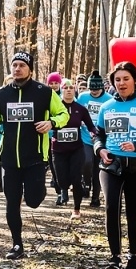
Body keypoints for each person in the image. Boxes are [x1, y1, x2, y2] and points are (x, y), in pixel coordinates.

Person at [0, 51, 68, 259]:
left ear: (30, 69)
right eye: (14, 65)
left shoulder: (43, 92)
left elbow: (63, 114)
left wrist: (51, 123)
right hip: (8, 158)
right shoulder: (1, 94)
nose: (17, 69)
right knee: (11, 201)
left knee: (34, 200)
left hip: (35, 157)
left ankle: (37, 190)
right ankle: (17, 244)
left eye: (22, 65)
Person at [91, 61, 136, 269]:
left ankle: (133, 255)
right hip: (111, 163)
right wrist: (99, 149)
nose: (121, 83)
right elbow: (98, 135)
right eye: (117, 80)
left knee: (133, 212)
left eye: (125, 79)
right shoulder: (107, 107)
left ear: (135, 81)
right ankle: (114, 257)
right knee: (111, 208)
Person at [51, 81, 94, 214]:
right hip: (58, 150)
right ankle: (64, 189)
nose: (68, 90)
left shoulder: (80, 109)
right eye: (65, 88)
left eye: (71, 88)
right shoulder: (54, 109)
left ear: (74, 91)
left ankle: (77, 209)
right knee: (62, 181)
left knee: (75, 178)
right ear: (61, 90)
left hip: (76, 149)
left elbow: (90, 125)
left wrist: (94, 133)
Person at [75, 72, 108, 208]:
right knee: (87, 162)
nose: (94, 92)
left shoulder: (108, 99)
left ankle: (95, 198)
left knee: (98, 169)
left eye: (96, 89)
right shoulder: (82, 97)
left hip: (101, 139)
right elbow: (76, 111)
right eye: (91, 89)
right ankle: (85, 183)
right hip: (85, 137)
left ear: (101, 87)